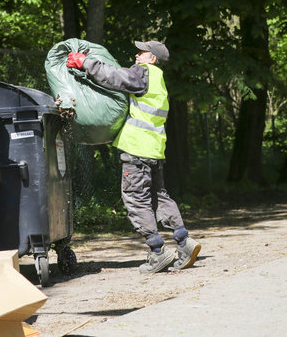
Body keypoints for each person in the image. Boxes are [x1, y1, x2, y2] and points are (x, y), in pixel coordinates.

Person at [66, 41, 201, 274]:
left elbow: (114, 76)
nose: (136, 55)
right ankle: (183, 242)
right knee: (159, 196)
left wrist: (84, 62)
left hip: (137, 148)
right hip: (155, 149)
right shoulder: (159, 80)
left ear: (152, 59)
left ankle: (157, 252)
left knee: (136, 198)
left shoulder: (144, 73)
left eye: (142, 52)